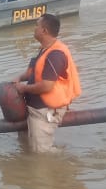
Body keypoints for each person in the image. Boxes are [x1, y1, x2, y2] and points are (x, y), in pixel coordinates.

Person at [9, 14, 81, 153]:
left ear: (44, 31)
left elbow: (47, 86)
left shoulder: (55, 54)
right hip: (37, 110)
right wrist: (19, 77)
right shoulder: (44, 49)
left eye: (37, 25)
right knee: (32, 149)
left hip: (45, 111)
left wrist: (23, 88)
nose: (34, 28)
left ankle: (63, 166)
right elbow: (32, 72)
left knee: (42, 155)